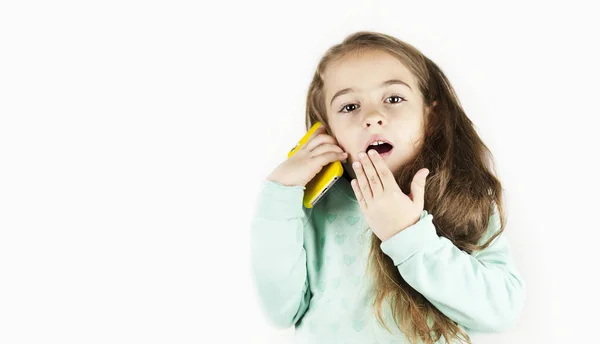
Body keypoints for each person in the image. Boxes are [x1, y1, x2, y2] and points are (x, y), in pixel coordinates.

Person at [249, 31, 526, 344]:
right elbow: (281, 311)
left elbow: (501, 309)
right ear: (325, 129)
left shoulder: (460, 197)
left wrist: (407, 234)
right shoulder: (310, 207)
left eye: (394, 99)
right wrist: (279, 194)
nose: (372, 117)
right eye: (349, 107)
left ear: (430, 116)